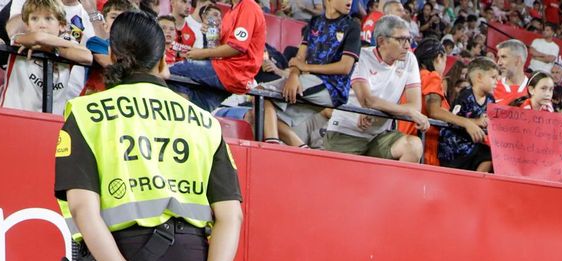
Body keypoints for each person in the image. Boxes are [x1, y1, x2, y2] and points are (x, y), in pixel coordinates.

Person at [54, 10, 242, 261]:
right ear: (163, 61)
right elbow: (231, 216)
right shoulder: (205, 121)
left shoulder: (86, 114)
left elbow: (83, 210)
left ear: (112, 56)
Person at [320, 14, 426, 161]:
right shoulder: (361, 56)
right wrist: (406, 110)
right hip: (346, 132)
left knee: (414, 146)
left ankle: (396, 185)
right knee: (347, 183)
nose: (407, 46)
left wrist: (375, 111)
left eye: (409, 39)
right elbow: (367, 100)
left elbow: (415, 106)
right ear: (382, 41)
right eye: (401, 39)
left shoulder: (409, 59)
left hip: (380, 135)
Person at [270, 0, 360, 147]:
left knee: (263, 96)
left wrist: (307, 67)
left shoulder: (352, 26)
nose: (350, 1)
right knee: (255, 112)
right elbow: (299, 59)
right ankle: (298, 149)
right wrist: (293, 76)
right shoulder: (315, 22)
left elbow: (345, 67)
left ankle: (274, 145)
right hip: (308, 81)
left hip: (331, 87)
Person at [167, 0, 264, 111]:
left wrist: (201, 54)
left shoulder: (248, 6)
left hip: (233, 71)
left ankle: (182, 120)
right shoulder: (231, 11)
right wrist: (211, 34)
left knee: (173, 71)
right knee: (199, 108)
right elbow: (222, 45)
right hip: (228, 71)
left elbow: (236, 47)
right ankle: (188, 121)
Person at [2, 0, 94, 112]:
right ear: (27, 25)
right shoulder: (22, 38)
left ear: (62, 25)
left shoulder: (63, 45)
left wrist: (54, 49)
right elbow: (38, 37)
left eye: (48, 18)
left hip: (52, 119)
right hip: (15, 114)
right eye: (34, 19)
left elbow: (87, 57)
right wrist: (65, 46)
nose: (41, 24)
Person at [438, 55, 495, 171]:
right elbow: (452, 121)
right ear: (479, 77)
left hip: (474, 145)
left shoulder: (491, 100)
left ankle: (478, 183)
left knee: (489, 154)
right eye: (493, 77)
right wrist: (475, 122)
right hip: (454, 147)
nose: (496, 82)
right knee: (486, 153)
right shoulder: (465, 96)